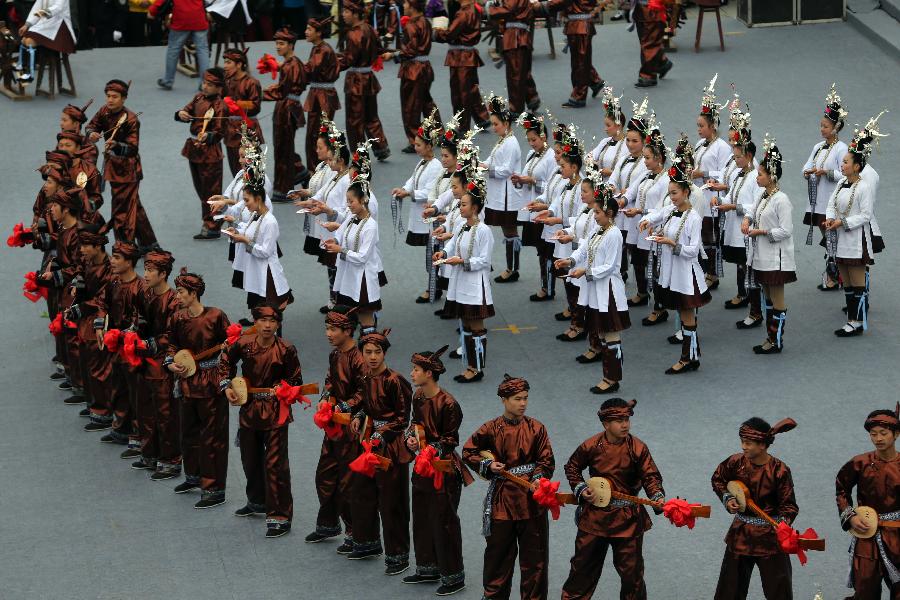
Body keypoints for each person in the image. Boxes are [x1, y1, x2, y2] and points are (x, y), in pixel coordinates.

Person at [560, 398, 664, 599]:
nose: (625, 424)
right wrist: (581, 488)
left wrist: (657, 496)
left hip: (627, 519)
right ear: (606, 424)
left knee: (632, 574)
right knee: (582, 569)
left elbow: (650, 476)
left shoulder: (638, 448)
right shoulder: (591, 445)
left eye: (627, 419)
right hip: (594, 517)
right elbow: (572, 466)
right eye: (619, 420)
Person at [462, 375, 555, 600]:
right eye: (517, 399)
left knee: (535, 561)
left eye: (525, 398)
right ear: (504, 399)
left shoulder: (536, 428)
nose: (522, 403)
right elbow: (468, 451)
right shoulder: (491, 428)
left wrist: (538, 478)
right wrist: (487, 465)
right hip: (502, 501)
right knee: (497, 557)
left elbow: (547, 460)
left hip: (531, 502)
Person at [219, 304, 302, 538]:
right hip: (249, 407)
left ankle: (280, 515)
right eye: (262, 320)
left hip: (276, 411)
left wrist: (285, 389)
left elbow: (296, 379)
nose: (267, 326)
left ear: (278, 324)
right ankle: (257, 501)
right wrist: (226, 385)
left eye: (272, 321)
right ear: (255, 322)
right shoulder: (243, 344)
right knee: (250, 458)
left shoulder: (286, 349)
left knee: (275, 463)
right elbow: (225, 361)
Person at [403, 345, 473, 594]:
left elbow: (450, 440)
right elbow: (415, 424)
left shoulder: (449, 404)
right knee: (421, 517)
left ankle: (453, 576)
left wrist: (431, 448)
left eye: (416, 370)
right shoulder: (418, 397)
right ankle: (427, 568)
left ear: (429, 373)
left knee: (444, 521)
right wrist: (410, 439)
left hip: (443, 470)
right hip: (422, 466)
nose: (412, 373)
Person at [163, 268, 232, 509]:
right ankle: (193, 476)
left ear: (193, 293)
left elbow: (232, 347)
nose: (177, 296)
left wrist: (224, 370)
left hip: (211, 382)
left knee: (212, 437)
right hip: (187, 382)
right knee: (188, 432)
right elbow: (171, 344)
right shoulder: (177, 318)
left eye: (181, 292)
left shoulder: (216, 316)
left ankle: (214, 488)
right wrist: (171, 364)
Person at [710, 417, 799, 600]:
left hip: (770, 537)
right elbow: (718, 478)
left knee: (778, 589)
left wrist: (782, 523)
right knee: (730, 588)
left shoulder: (779, 470)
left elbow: (789, 506)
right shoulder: (736, 462)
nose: (743, 446)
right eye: (742, 442)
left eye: (748, 443)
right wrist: (727, 498)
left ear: (763, 445)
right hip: (740, 533)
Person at [638, 154, 711, 374]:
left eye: (674, 193)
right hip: (672, 271)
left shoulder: (693, 218)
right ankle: (692, 355)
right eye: (669, 193)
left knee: (687, 315)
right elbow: (658, 215)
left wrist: (671, 243)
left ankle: (686, 358)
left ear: (686, 192)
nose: (671, 198)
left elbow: (692, 251)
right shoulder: (671, 210)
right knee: (683, 314)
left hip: (686, 274)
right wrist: (647, 221)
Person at [348, 329, 414, 570]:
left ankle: (398, 555)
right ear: (362, 354)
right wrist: (360, 415)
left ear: (385, 353)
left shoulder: (395, 380)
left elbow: (402, 418)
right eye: (368, 352)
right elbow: (367, 405)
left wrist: (381, 432)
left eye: (377, 352)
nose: (373, 357)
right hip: (368, 443)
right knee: (360, 493)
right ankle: (367, 542)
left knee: (392, 502)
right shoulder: (364, 376)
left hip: (391, 448)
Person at [559, 180, 631, 394]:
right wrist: (570, 261)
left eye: (598, 212)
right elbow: (583, 249)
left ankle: (612, 378)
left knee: (610, 334)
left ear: (608, 213)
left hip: (608, 289)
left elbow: (610, 266)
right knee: (601, 333)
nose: (595, 215)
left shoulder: (614, 234)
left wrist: (586, 272)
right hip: (595, 289)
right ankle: (608, 376)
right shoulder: (598, 230)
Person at [306, 306, 365, 549]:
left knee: (348, 483)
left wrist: (343, 406)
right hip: (334, 428)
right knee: (325, 475)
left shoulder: (360, 358)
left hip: (352, 429)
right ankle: (328, 524)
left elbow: (365, 392)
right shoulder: (336, 354)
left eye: (333, 329)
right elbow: (331, 379)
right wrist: (325, 396)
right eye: (327, 329)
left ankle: (355, 533)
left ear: (348, 330)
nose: (328, 334)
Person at [826, 112, 885, 338]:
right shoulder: (841, 182)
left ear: (857, 166)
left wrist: (844, 222)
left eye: (846, 162)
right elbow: (831, 203)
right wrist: (831, 218)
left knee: (857, 281)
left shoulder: (864, 187)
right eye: (842, 161)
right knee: (847, 281)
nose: (842, 164)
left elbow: (866, 215)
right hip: (841, 236)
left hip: (856, 238)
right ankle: (851, 318)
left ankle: (856, 321)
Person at [434, 167, 494, 383]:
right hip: (461, 283)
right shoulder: (462, 226)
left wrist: (464, 262)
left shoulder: (484, 230)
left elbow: (485, 260)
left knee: (476, 326)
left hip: (475, 286)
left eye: (464, 204)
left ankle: (477, 368)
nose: (460, 206)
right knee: (466, 326)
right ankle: (469, 365)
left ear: (475, 208)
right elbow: (453, 244)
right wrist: (444, 252)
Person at [835, 404, 900, 600]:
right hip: (866, 534)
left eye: (883, 433)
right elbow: (841, 489)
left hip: (897, 535)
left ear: (896, 434)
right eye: (873, 434)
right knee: (865, 590)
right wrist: (850, 516)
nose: (878, 438)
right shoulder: (860, 463)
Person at [85, 80, 159, 251]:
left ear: (124, 98)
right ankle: (149, 244)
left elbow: (133, 148)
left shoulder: (132, 119)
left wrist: (116, 146)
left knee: (121, 209)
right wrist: (92, 134)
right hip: (113, 167)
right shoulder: (104, 111)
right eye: (108, 96)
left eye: (115, 97)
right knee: (133, 205)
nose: (110, 100)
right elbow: (91, 126)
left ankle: (124, 246)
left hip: (128, 170)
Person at [133, 250, 184, 480]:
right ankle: (150, 453)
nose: (145, 275)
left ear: (163, 274)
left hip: (164, 362)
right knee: (145, 408)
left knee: (166, 413)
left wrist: (150, 343)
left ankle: (170, 460)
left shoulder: (174, 301)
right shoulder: (145, 293)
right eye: (145, 270)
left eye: (150, 271)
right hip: (145, 359)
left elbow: (174, 334)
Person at [743, 135, 796, 354]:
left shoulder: (781, 199)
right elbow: (752, 211)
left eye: (761, 174)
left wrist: (761, 231)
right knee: (767, 298)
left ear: (772, 176)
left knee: (777, 299)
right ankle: (770, 337)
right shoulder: (764, 196)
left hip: (777, 259)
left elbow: (786, 230)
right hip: (762, 257)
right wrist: (747, 220)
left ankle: (776, 341)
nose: (757, 177)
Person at [225, 152, 294, 316]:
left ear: (258, 199)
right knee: (260, 313)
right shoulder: (256, 215)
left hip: (267, 272)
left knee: (270, 314)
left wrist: (244, 241)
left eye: (247, 200)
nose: (245, 204)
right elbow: (249, 231)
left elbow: (265, 251)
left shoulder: (270, 221)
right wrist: (236, 231)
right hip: (257, 271)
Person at [391, 110, 443, 301]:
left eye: (419, 145)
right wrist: (403, 189)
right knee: (430, 251)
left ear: (430, 146)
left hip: (430, 217)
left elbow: (430, 192)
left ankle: (434, 288)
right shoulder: (422, 163)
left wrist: (410, 193)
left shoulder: (436, 165)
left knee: (433, 251)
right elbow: (412, 181)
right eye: (415, 144)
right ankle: (434, 286)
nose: (416, 148)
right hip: (421, 216)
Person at [803, 84, 849, 291]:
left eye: (826, 127)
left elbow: (845, 174)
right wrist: (807, 172)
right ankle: (835, 274)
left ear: (836, 128)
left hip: (832, 200)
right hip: (818, 201)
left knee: (833, 239)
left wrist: (827, 173)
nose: (822, 130)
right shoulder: (818, 147)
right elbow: (807, 165)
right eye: (821, 126)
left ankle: (835, 276)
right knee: (828, 239)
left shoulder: (842, 149)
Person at [323, 176, 382, 334]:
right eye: (347, 201)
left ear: (363, 200)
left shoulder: (371, 226)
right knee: (347, 313)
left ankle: (369, 348)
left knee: (365, 316)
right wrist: (333, 240)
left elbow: (362, 257)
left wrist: (340, 250)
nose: (348, 205)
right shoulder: (351, 217)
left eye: (351, 201)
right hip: (348, 274)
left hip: (363, 276)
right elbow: (340, 233)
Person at [66, 225, 113, 423]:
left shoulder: (109, 270)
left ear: (98, 246)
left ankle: (103, 411)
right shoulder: (88, 261)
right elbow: (79, 271)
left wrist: (81, 308)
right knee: (86, 364)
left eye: (86, 245)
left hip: (101, 321)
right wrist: (78, 282)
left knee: (98, 368)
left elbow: (102, 299)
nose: (82, 250)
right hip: (87, 320)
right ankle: (93, 402)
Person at [381, 0, 440, 153]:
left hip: (413, 70)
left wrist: (392, 54)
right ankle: (438, 132)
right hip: (426, 67)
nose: (404, 6)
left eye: (406, 4)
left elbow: (410, 50)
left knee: (410, 107)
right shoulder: (425, 22)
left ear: (413, 7)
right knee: (426, 102)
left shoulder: (411, 25)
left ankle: (416, 139)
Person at [175, 67, 227, 240]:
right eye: (204, 82)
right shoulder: (198, 97)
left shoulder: (220, 105)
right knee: (201, 189)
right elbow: (187, 110)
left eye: (210, 84)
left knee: (211, 190)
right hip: (194, 149)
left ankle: (213, 224)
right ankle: (214, 217)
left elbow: (220, 131)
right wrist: (181, 114)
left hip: (210, 152)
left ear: (219, 87)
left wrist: (209, 135)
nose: (205, 86)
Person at [692, 75, 733, 289]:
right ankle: (703, 269)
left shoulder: (722, 147)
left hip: (713, 197)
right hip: (700, 196)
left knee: (711, 235)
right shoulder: (700, 144)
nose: (698, 129)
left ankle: (713, 273)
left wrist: (702, 173)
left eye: (702, 126)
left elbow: (726, 173)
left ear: (713, 125)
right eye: (697, 126)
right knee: (701, 233)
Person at [622, 115, 667, 309]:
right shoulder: (646, 175)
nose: (645, 161)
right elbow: (631, 191)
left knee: (655, 269)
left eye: (648, 158)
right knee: (638, 263)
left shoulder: (666, 181)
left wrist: (641, 210)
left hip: (654, 230)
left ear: (659, 159)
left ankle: (660, 307)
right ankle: (642, 294)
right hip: (639, 227)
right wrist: (620, 201)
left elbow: (665, 209)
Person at [337, 0, 390, 161]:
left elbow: (348, 60)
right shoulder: (370, 29)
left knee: (354, 120)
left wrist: (329, 66)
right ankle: (381, 147)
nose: (343, 15)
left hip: (355, 81)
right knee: (371, 116)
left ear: (355, 13)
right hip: (369, 78)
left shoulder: (353, 33)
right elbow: (380, 49)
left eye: (346, 11)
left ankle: (358, 154)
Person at [512, 112, 556, 301]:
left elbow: (553, 186)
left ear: (543, 137)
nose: (531, 143)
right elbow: (526, 177)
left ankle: (549, 289)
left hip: (544, 209)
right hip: (531, 210)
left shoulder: (551, 158)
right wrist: (519, 181)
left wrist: (531, 181)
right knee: (540, 250)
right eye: (529, 140)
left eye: (534, 139)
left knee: (547, 251)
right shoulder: (531, 154)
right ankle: (545, 286)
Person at [263, 27, 309, 202]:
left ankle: (284, 189)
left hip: (287, 111)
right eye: (276, 43)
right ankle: (298, 172)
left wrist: (258, 95)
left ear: (291, 45)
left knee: (283, 149)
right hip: (287, 108)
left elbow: (282, 91)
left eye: (281, 43)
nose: (277, 47)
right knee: (284, 147)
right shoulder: (291, 64)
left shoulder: (292, 65)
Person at [482, 94, 523, 284]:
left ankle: (513, 269)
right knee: (507, 230)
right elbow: (492, 160)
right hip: (499, 192)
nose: (493, 127)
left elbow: (505, 170)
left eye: (496, 124)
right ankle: (511, 267)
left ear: (506, 123)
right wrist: (480, 164)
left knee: (510, 229)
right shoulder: (502, 141)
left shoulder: (512, 143)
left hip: (507, 193)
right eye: (492, 123)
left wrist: (487, 170)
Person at [432, 0, 490, 131]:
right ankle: (481, 117)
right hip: (467, 54)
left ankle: (462, 127)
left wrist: (436, 33)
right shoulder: (474, 9)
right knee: (470, 88)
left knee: (460, 92)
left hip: (460, 57)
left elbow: (449, 34)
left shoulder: (463, 14)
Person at [537, 0, 604, 108]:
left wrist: (543, 5)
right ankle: (594, 81)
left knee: (580, 63)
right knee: (581, 60)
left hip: (579, 24)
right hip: (579, 22)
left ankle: (579, 96)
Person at [484, 0, 540, 113]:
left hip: (515, 36)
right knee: (521, 70)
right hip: (519, 34)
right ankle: (531, 96)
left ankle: (516, 108)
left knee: (515, 73)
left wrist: (488, 10)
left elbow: (508, 9)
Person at [302, 17, 341, 169]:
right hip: (319, 93)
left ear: (318, 33)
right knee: (315, 133)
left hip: (322, 96)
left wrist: (288, 67)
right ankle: (316, 168)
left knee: (318, 135)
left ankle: (319, 169)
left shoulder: (322, 50)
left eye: (309, 29)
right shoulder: (317, 48)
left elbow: (310, 69)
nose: (306, 32)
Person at [149, 0, 210, 91]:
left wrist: (152, 11)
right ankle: (206, 84)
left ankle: (168, 81)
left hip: (181, 19)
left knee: (173, 50)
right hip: (199, 18)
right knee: (203, 51)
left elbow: (160, 2)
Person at [222, 48, 264, 176]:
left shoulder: (251, 83)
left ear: (239, 64)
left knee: (250, 168)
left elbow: (256, 105)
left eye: (229, 62)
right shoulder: (226, 82)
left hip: (248, 128)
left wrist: (236, 104)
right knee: (235, 168)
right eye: (225, 62)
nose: (225, 66)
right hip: (230, 130)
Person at [14, 0, 76, 82]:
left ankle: (29, 75)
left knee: (29, 42)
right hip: (47, 25)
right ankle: (22, 68)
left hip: (60, 28)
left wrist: (43, 12)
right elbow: (36, 8)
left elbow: (58, 7)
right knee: (24, 40)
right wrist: (27, 25)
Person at [632, 0, 673, 88]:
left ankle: (648, 75)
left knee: (648, 44)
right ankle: (662, 62)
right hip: (645, 7)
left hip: (652, 8)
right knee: (647, 41)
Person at [59, 99, 99, 165]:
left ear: (76, 124)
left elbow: (87, 171)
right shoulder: (62, 141)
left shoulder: (89, 147)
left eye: (64, 120)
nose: (61, 123)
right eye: (61, 120)